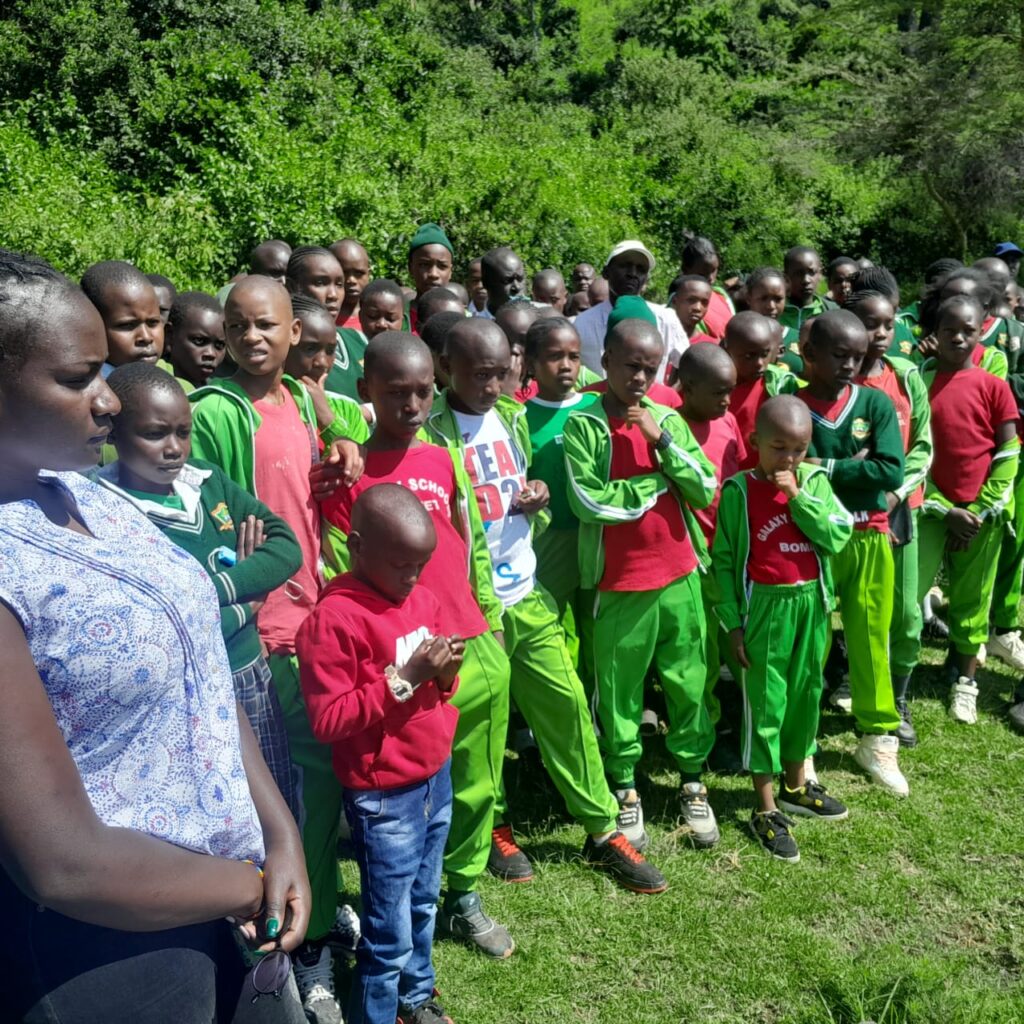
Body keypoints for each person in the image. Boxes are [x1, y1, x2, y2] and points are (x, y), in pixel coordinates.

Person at [0, 248, 309, 1022]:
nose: (110, 403)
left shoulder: (92, 497)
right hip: (108, 956)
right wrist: (247, 881)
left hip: (233, 911)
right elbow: (61, 863)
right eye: (78, 380)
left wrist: (278, 834)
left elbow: (198, 669)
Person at [426, 317, 669, 895]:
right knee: (482, 726)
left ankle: (602, 828)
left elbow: (523, 487)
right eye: (478, 375)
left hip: (526, 591)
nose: (491, 386)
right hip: (470, 606)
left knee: (566, 706)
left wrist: (536, 497)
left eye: (500, 373)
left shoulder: (511, 417)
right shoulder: (430, 430)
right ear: (446, 369)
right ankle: (494, 827)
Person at [317, 331, 517, 959]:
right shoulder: (345, 472)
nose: (410, 404)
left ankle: (462, 890)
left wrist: (487, 612)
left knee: (478, 777)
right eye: (394, 392)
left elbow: (469, 537)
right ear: (365, 393)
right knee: (409, 780)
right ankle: (396, 901)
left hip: (469, 639)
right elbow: (337, 564)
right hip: (399, 660)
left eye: (422, 391)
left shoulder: (440, 455)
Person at [188, 276, 345, 1023]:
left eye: (268, 327)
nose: (254, 338)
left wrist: (336, 438)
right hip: (260, 630)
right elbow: (218, 519)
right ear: (223, 332)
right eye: (240, 326)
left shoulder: (297, 403)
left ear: (295, 336)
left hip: (308, 617)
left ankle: (311, 918)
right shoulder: (217, 412)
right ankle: (291, 945)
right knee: (278, 795)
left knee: (311, 787)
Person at [99, 362, 303, 819]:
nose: (173, 449)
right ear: (113, 432)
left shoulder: (205, 481)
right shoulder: (103, 506)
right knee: (209, 807)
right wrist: (244, 598)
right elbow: (151, 605)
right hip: (181, 687)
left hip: (246, 669)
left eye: (183, 432)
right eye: (154, 434)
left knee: (272, 800)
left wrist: (214, 589)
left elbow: (286, 548)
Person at [298, 484, 462, 1024]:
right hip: (385, 794)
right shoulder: (334, 620)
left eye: (421, 565)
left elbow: (444, 691)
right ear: (356, 544)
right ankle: (378, 1011)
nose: (412, 578)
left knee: (422, 900)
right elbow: (329, 720)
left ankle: (416, 1000)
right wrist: (406, 678)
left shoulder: (421, 598)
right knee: (387, 928)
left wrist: (444, 671)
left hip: (434, 775)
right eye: (401, 566)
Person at [563, 318, 720, 851]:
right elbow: (591, 501)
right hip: (620, 582)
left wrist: (666, 447)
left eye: (650, 369)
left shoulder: (665, 416)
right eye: (630, 365)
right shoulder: (583, 423)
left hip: (678, 573)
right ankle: (626, 787)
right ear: (604, 361)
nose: (639, 378)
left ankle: (693, 779)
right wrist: (658, 481)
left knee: (689, 680)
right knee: (619, 690)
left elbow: (703, 486)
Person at [713, 397, 853, 862]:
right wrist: (733, 625)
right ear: (755, 442)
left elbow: (835, 535)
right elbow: (726, 561)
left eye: (798, 449)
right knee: (767, 704)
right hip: (765, 610)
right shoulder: (737, 491)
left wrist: (796, 495)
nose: (788, 459)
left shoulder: (813, 482)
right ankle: (766, 806)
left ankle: (797, 785)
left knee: (805, 696)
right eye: (778, 448)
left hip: (811, 604)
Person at [795, 310, 908, 794]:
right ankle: (800, 744)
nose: (849, 364)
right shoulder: (792, 406)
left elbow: (890, 473)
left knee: (869, 636)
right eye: (839, 354)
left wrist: (821, 464)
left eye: (857, 356)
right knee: (808, 643)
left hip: (868, 533)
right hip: (811, 541)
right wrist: (848, 466)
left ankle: (877, 735)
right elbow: (782, 465)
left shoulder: (876, 404)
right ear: (809, 353)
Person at [917, 295, 1020, 724]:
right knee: (908, 595)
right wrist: (944, 509)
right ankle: (895, 673)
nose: (958, 338)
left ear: (981, 333)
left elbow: (1009, 449)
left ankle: (965, 680)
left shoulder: (994, 385)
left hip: (982, 516)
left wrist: (976, 510)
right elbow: (911, 452)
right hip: (930, 509)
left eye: (968, 331)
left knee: (972, 601)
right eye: (949, 330)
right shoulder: (919, 379)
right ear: (934, 335)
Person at [848, 290, 933, 748]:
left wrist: (896, 492)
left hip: (901, 510)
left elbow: (923, 444)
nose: (878, 334)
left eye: (885, 325)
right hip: (846, 513)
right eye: (867, 323)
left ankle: (896, 699)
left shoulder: (905, 377)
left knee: (902, 614)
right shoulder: (835, 378)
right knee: (849, 610)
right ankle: (840, 683)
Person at [675, 343, 747, 760]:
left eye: (731, 390)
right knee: (698, 654)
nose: (726, 400)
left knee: (738, 644)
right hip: (693, 561)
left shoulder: (729, 422)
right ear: (686, 387)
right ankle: (708, 728)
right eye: (718, 391)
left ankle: (744, 719)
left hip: (730, 556)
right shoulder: (673, 427)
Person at [574, 241, 686, 378]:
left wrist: (665, 394)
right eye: (624, 266)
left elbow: (687, 366)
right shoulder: (582, 323)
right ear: (606, 273)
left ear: (646, 279)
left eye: (640, 269)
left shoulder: (666, 319)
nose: (632, 273)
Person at [285, 294, 370, 450]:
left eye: (331, 351)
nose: (322, 362)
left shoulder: (348, 410)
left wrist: (327, 419)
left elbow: (357, 469)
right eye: (310, 348)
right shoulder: (266, 407)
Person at [286, 245, 367, 404]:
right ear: (291, 287)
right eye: (320, 282)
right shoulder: (284, 350)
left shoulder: (358, 340)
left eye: (339, 284)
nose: (333, 295)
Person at [720, 311, 796, 469]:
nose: (760, 363)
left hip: (763, 474)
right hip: (725, 472)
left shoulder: (780, 384)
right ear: (727, 350)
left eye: (765, 354)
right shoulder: (715, 387)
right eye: (749, 356)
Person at [80, 260, 169, 379]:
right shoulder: (89, 392)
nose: (146, 337)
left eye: (153, 323)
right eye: (127, 325)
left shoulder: (171, 383)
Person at [744, 267, 803, 372]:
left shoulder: (799, 339)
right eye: (763, 298)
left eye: (778, 299)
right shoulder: (738, 338)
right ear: (749, 299)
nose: (771, 306)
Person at [165, 290, 227, 389]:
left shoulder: (219, 395)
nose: (211, 354)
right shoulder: (149, 385)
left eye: (219, 345)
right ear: (170, 335)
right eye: (199, 341)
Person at [680, 235, 733, 339]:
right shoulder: (679, 303)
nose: (711, 278)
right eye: (703, 273)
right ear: (685, 270)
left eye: (714, 270)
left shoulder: (721, 295)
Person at [779, 246, 837, 331]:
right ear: (785, 277)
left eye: (812, 272)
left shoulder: (832, 311)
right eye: (798, 274)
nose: (806, 280)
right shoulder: (774, 310)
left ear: (820, 274)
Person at [407, 224, 455, 313]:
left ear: (450, 271)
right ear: (410, 268)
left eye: (442, 266)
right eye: (424, 265)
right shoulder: (398, 317)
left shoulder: (462, 319)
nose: (433, 274)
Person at [668, 274, 717, 359]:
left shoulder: (712, 348)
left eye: (704, 303)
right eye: (691, 300)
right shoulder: (658, 337)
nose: (698, 308)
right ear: (674, 301)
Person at [328, 238, 371, 330]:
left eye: (359, 273)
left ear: (368, 274)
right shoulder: (320, 317)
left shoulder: (378, 318)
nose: (351, 280)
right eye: (344, 273)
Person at [476, 247, 528, 320]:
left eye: (520, 279)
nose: (517, 287)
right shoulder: (477, 327)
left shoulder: (541, 319)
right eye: (508, 280)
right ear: (486, 283)